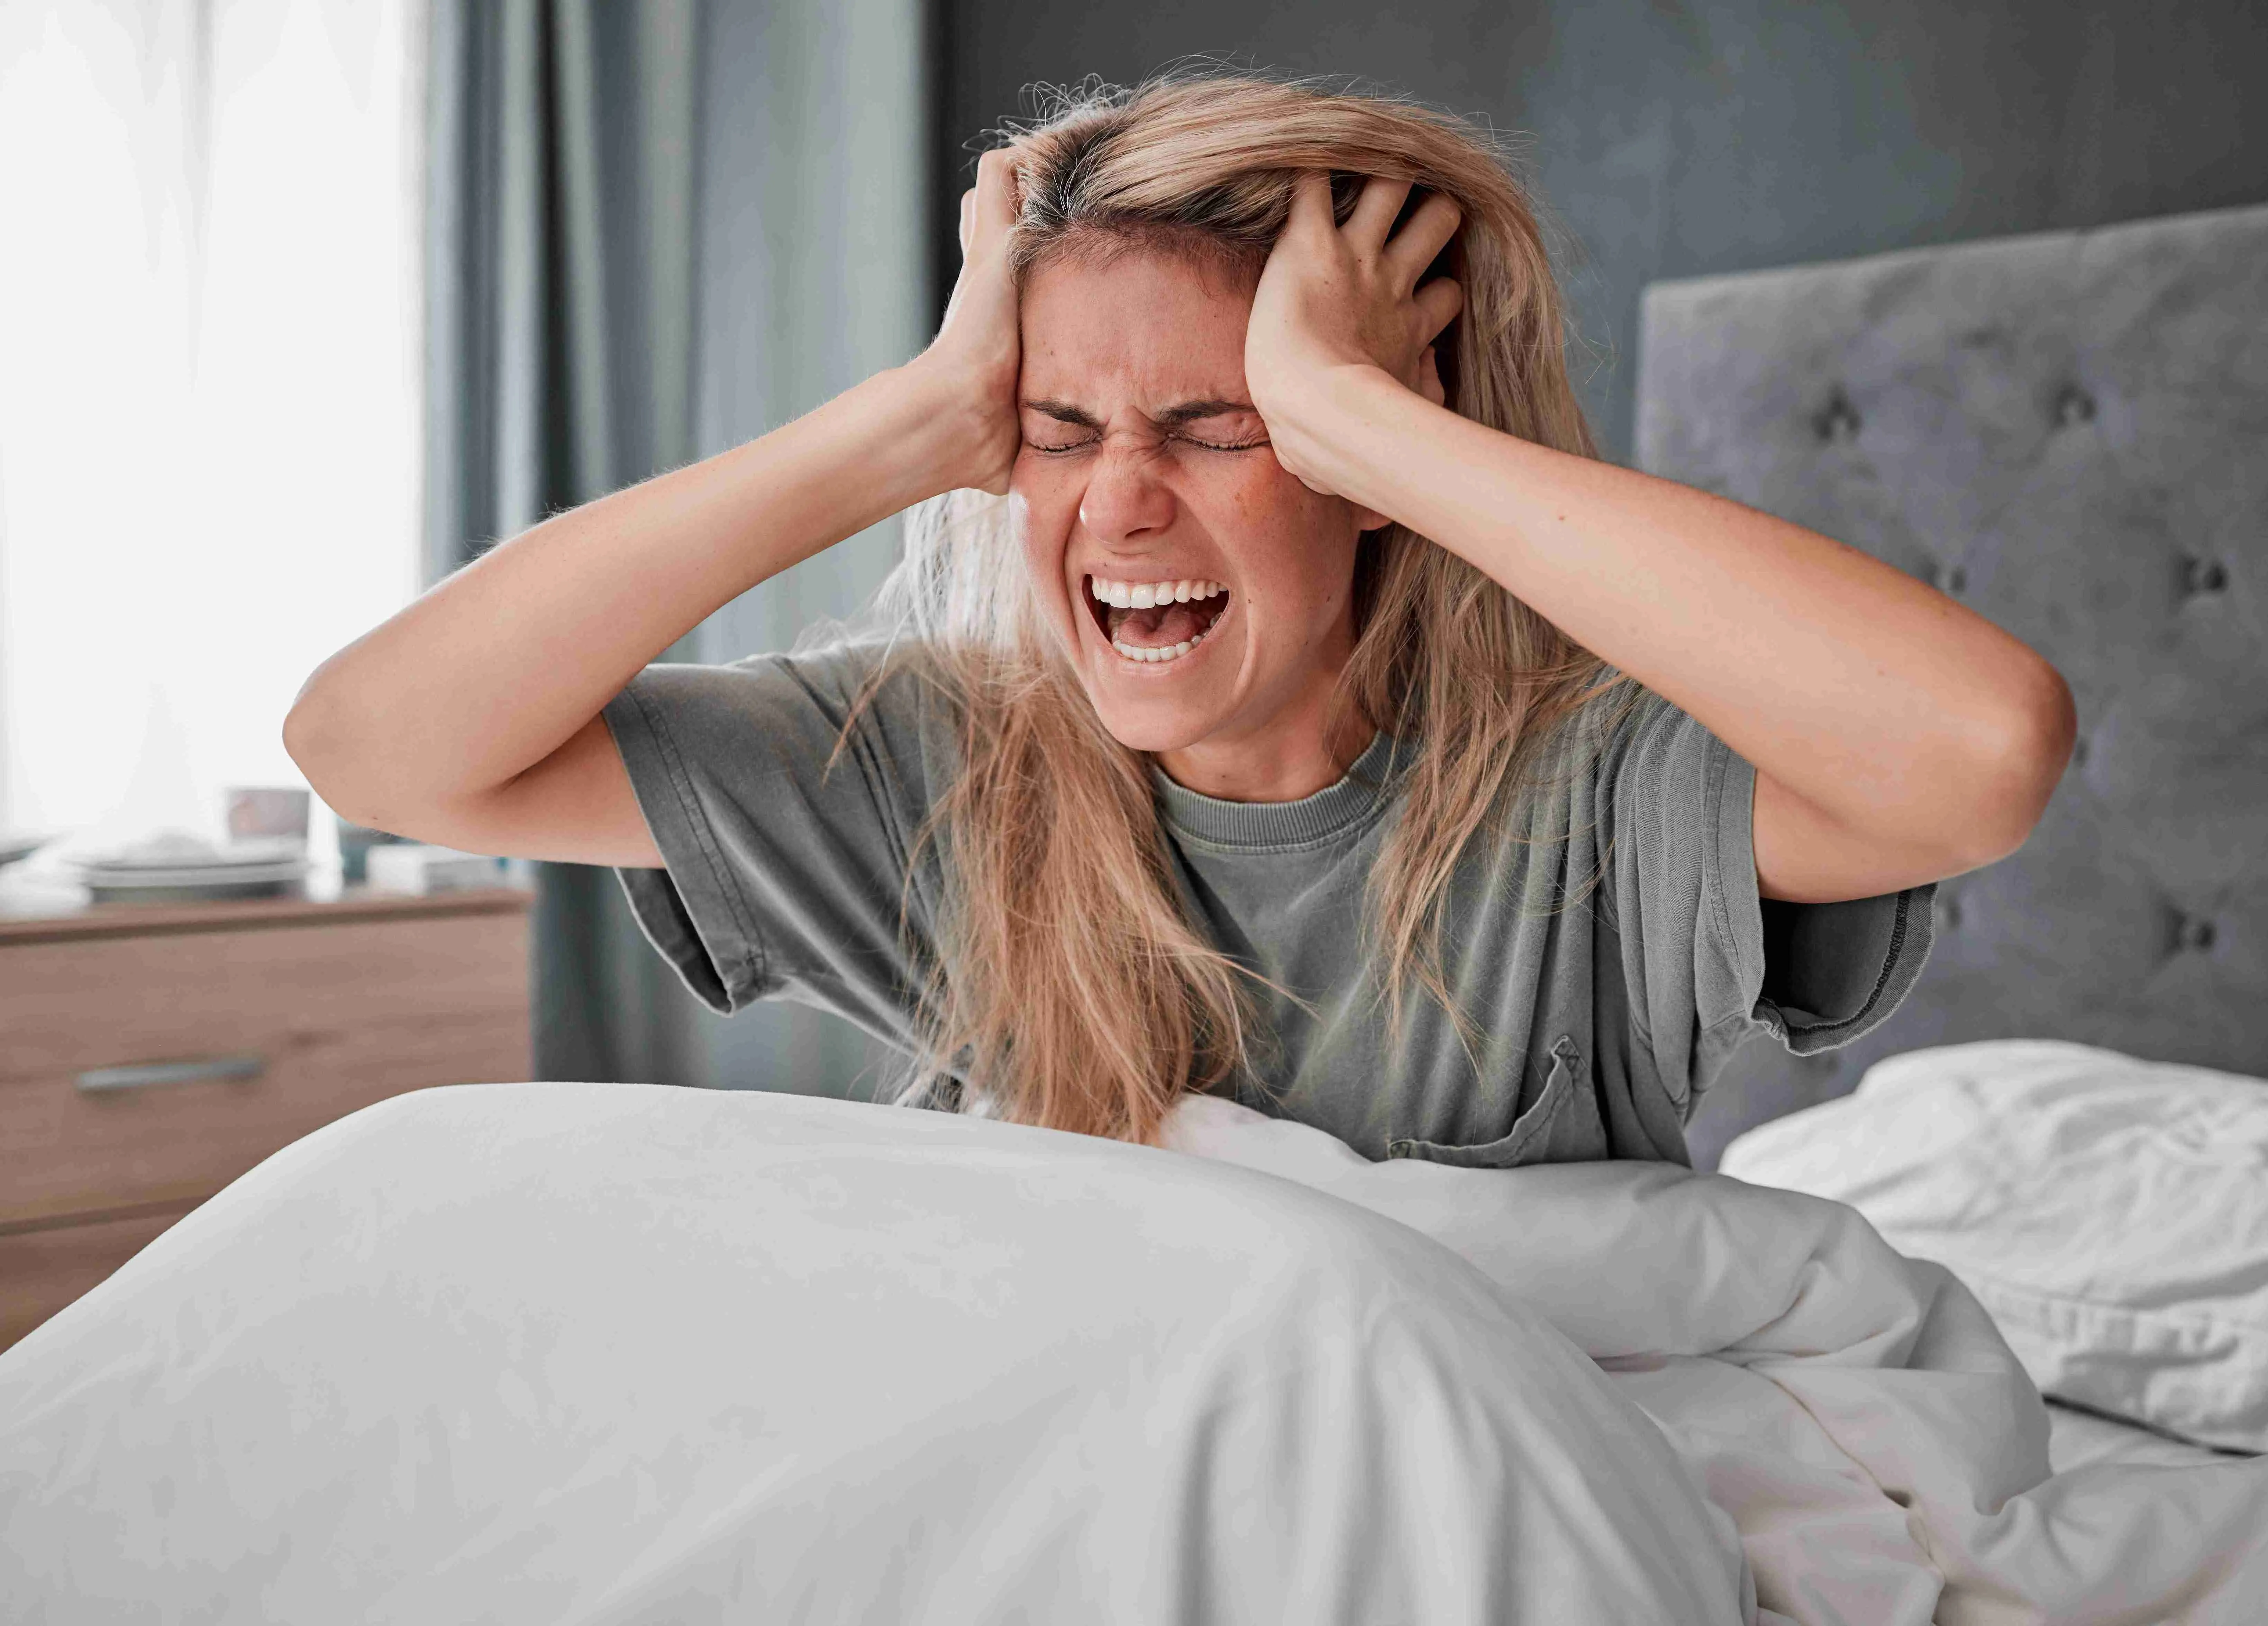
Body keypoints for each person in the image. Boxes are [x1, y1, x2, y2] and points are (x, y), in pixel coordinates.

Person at [286, 73, 2074, 1166]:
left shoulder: (1595, 801)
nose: (1120, 503)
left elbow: (1978, 750)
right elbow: (369, 748)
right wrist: (908, 429)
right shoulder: (938, 768)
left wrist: (1370, 420)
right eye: (1060, 432)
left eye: (1222, 429)